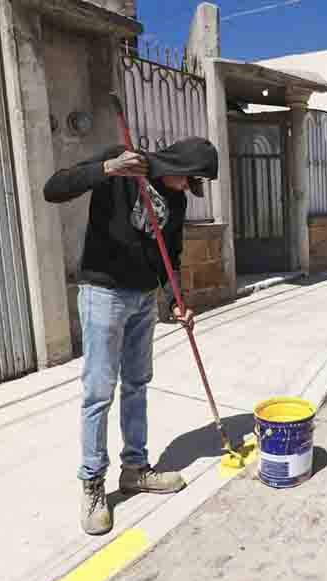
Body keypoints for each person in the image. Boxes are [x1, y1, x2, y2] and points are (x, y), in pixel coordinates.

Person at [44, 137, 219, 535]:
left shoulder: (177, 200)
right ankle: (92, 485)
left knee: (137, 383)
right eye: (187, 180)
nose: (186, 189)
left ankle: (135, 469)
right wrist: (107, 169)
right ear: (175, 165)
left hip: (144, 299)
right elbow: (53, 188)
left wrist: (177, 300)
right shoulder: (120, 166)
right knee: (99, 392)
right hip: (103, 292)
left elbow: (168, 254)